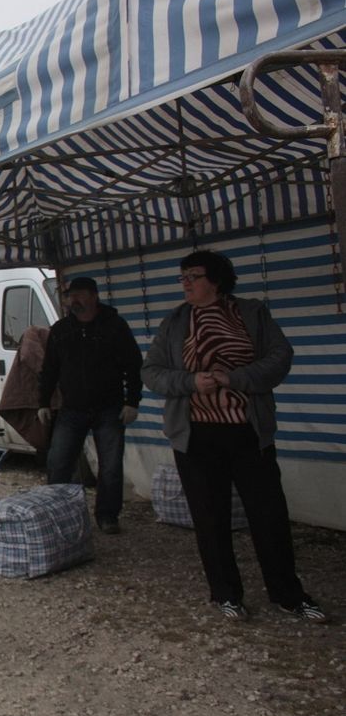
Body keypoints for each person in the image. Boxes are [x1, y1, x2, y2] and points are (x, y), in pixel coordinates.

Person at [141, 250, 327, 623]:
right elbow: (152, 372)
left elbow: (280, 357)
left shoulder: (252, 313)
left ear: (217, 279)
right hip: (195, 437)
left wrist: (235, 378)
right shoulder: (175, 322)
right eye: (182, 277)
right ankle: (226, 593)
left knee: (269, 516)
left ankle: (288, 594)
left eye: (192, 275)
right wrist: (191, 382)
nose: (186, 283)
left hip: (247, 433)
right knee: (210, 519)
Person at [37, 276, 143, 534]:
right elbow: (49, 369)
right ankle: (58, 514)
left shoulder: (115, 326)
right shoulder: (61, 330)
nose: (75, 300)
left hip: (109, 408)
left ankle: (108, 516)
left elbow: (133, 365)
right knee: (59, 462)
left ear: (94, 297)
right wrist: (43, 402)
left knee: (111, 467)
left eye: (81, 295)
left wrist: (132, 402)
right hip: (71, 409)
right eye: (71, 296)